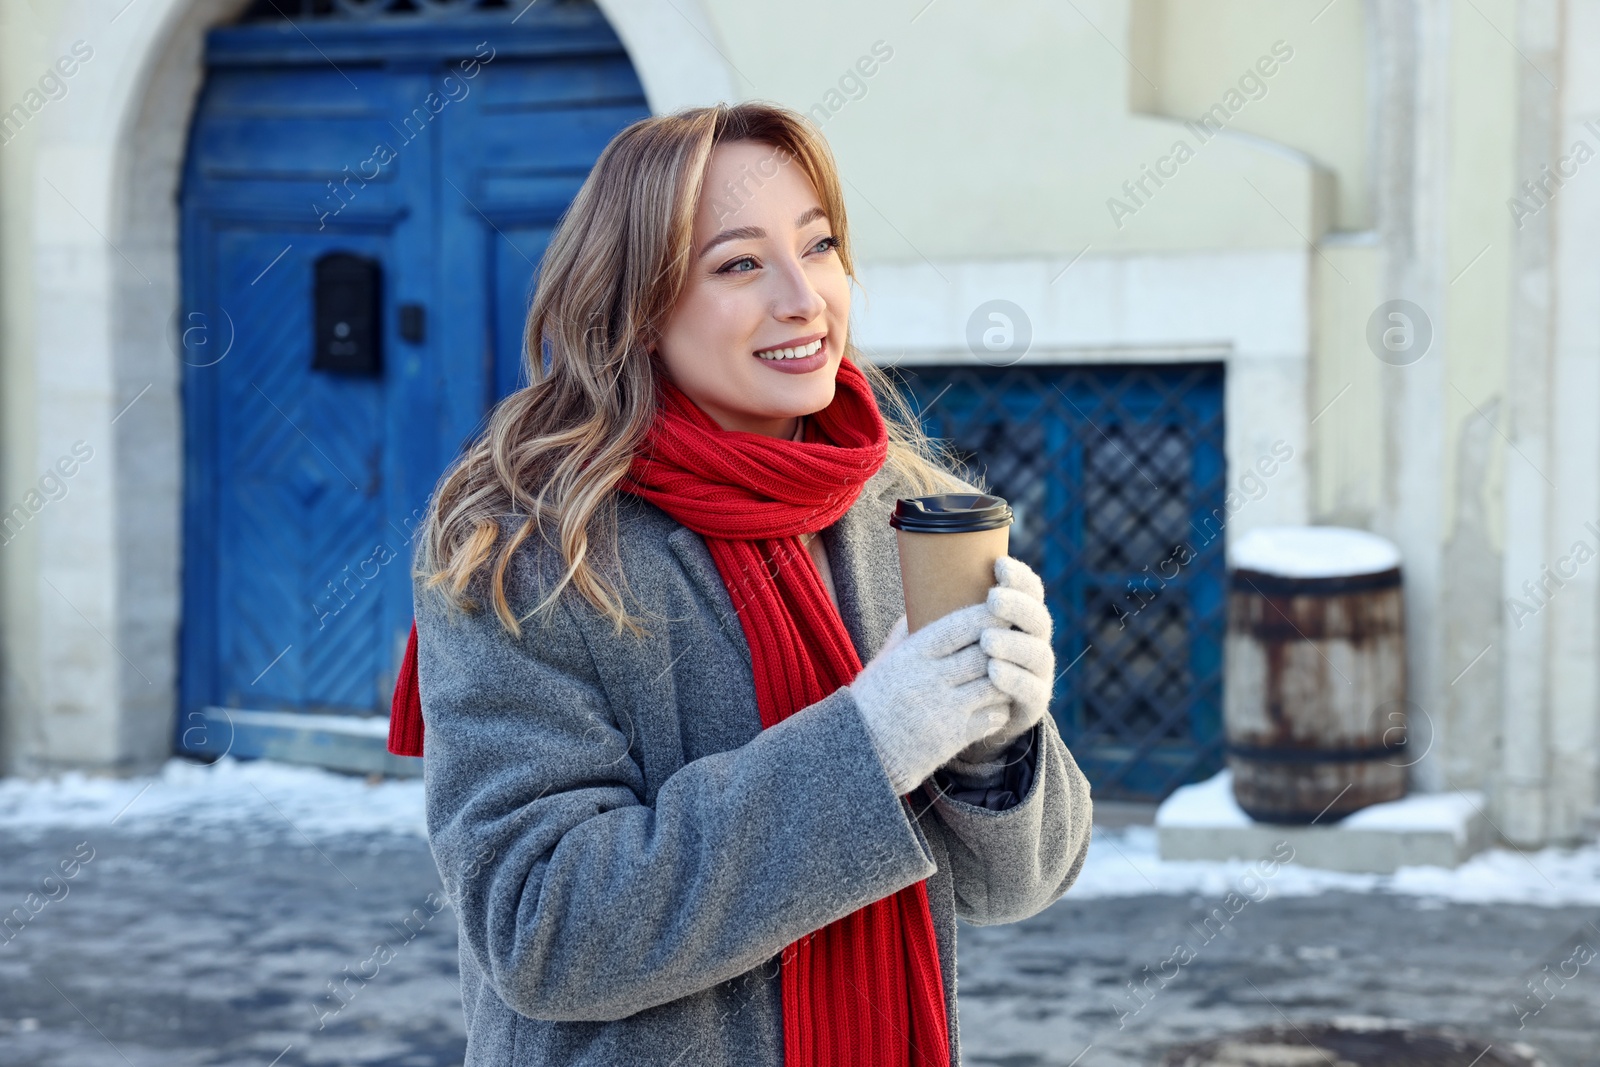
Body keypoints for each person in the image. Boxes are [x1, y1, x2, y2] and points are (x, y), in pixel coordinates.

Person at [402, 101, 1092, 1066]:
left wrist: (999, 740)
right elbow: (540, 925)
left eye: (820, 247)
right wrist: (873, 741)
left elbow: (1017, 885)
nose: (804, 298)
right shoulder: (524, 550)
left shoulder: (905, 508)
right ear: (636, 306)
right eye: (738, 264)